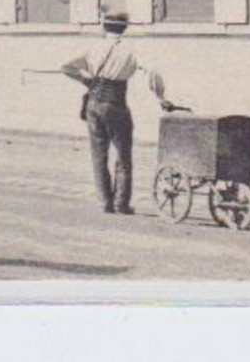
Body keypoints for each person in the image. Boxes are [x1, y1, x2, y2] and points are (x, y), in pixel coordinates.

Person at [60, 12, 170, 215]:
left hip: (93, 103)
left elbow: (66, 67)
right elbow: (153, 71)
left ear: (104, 28)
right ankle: (121, 204)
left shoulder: (93, 47)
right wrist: (160, 96)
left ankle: (104, 202)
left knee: (98, 155)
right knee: (123, 155)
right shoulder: (131, 50)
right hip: (116, 103)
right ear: (124, 28)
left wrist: (85, 80)